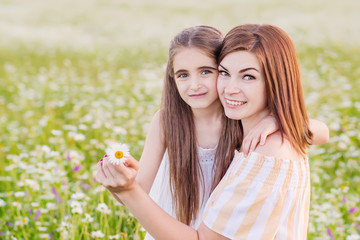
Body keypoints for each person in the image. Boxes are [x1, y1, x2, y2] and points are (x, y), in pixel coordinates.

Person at [96, 24, 328, 239]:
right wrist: (123, 184)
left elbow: (321, 132)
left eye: (206, 71)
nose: (194, 84)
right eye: (183, 75)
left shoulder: (240, 119)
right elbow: (140, 193)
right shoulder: (168, 121)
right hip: (174, 226)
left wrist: (276, 122)